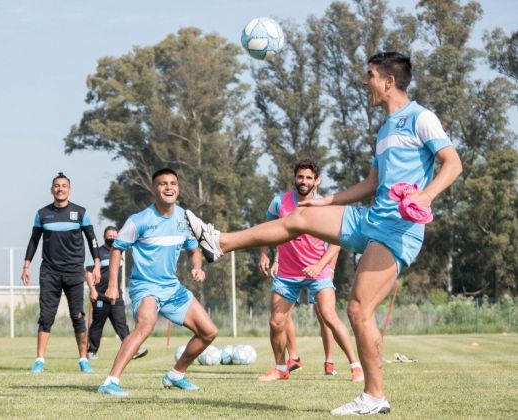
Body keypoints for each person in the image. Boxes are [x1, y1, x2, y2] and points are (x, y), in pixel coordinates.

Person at [185, 52, 462, 415]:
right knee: (299, 216)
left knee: (359, 309)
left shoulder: (420, 118)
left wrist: (425, 195)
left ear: (389, 82)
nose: (365, 82)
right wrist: (325, 201)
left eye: (370, 76)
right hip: (370, 218)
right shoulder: (384, 129)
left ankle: (374, 396)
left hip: (398, 229)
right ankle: (220, 242)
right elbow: (371, 184)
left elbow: (453, 163)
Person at [97, 168, 218, 397]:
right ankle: (110, 381)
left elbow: (194, 250)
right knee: (145, 326)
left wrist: (197, 267)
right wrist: (113, 284)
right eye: (163, 184)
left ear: (178, 189)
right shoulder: (139, 220)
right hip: (145, 286)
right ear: (154, 189)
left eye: (173, 183)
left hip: (171, 287)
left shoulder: (184, 219)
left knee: (209, 332)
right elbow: (116, 251)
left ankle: (175, 375)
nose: (169, 187)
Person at [256, 160, 363, 383]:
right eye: (300, 177)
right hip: (287, 274)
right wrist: (264, 254)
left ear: (317, 181)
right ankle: (280, 368)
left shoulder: (325, 205)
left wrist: (320, 265)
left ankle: (356, 367)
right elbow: (266, 228)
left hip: (318, 272)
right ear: (294, 178)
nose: (303, 181)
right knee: (276, 321)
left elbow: (337, 241)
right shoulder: (280, 202)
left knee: (330, 317)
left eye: (308, 178)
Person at [22, 172, 101, 374]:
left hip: (74, 272)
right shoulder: (42, 214)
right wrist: (26, 265)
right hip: (49, 272)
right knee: (46, 317)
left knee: (78, 317)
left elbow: (92, 240)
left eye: (64, 186)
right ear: (51, 190)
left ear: (69, 189)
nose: (60, 189)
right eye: (57, 186)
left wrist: (97, 264)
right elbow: (33, 240)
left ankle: (83, 360)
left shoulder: (81, 213)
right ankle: (39, 360)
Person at [85, 225, 148, 360]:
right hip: (101, 296)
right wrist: (92, 290)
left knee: (121, 324)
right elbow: (89, 272)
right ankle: (91, 351)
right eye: (110, 237)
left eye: (115, 237)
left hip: (116, 296)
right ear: (104, 237)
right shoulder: (97, 253)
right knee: (97, 325)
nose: (112, 239)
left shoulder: (119, 252)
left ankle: (133, 350)